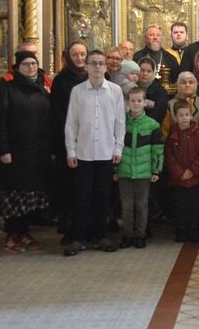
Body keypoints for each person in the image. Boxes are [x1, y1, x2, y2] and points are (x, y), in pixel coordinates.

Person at [63, 50, 126, 256]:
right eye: (93, 63)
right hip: (83, 152)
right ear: (87, 67)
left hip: (107, 152)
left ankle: (101, 236)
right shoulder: (78, 91)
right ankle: (79, 238)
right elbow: (71, 123)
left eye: (101, 63)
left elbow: (119, 122)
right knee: (81, 196)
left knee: (102, 196)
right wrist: (71, 150)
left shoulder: (115, 91)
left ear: (106, 67)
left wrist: (118, 147)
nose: (97, 67)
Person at [0, 50, 52, 253]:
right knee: (15, 195)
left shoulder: (42, 87)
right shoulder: (7, 89)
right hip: (15, 152)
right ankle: (12, 234)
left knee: (29, 195)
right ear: (17, 68)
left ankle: (24, 233)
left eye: (33, 63)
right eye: (26, 64)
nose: (31, 67)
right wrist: (3, 149)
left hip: (37, 151)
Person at [50, 41, 88, 242]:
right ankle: (71, 228)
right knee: (70, 187)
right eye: (76, 55)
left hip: (90, 140)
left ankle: (88, 227)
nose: (80, 59)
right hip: (69, 140)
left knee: (87, 186)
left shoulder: (94, 77)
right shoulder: (61, 81)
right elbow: (57, 115)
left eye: (83, 54)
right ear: (68, 57)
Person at [117, 87, 163, 249]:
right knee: (127, 205)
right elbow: (116, 147)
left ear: (145, 103)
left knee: (142, 205)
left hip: (144, 173)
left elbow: (157, 150)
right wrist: (115, 170)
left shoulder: (152, 125)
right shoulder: (121, 122)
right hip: (124, 171)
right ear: (128, 102)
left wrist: (156, 170)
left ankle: (140, 235)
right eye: (132, 101)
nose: (136, 104)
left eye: (139, 101)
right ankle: (127, 235)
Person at [166, 101, 199, 242]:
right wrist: (180, 172)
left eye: (187, 114)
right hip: (179, 180)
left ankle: (193, 231)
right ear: (176, 116)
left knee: (194, 207)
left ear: (191, 115)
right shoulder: (172, 134)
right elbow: (169, 155)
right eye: (181, 115)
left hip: (196, 178)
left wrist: (192, 171)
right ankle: (180, 231)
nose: (184, 118)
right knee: (180, 206)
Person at [137, 56, 170, 124]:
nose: (145, 74)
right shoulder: (132, 87)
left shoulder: (160, 92)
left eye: (149, 71)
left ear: (154, 73)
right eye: (142, 70)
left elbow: (158, 115)